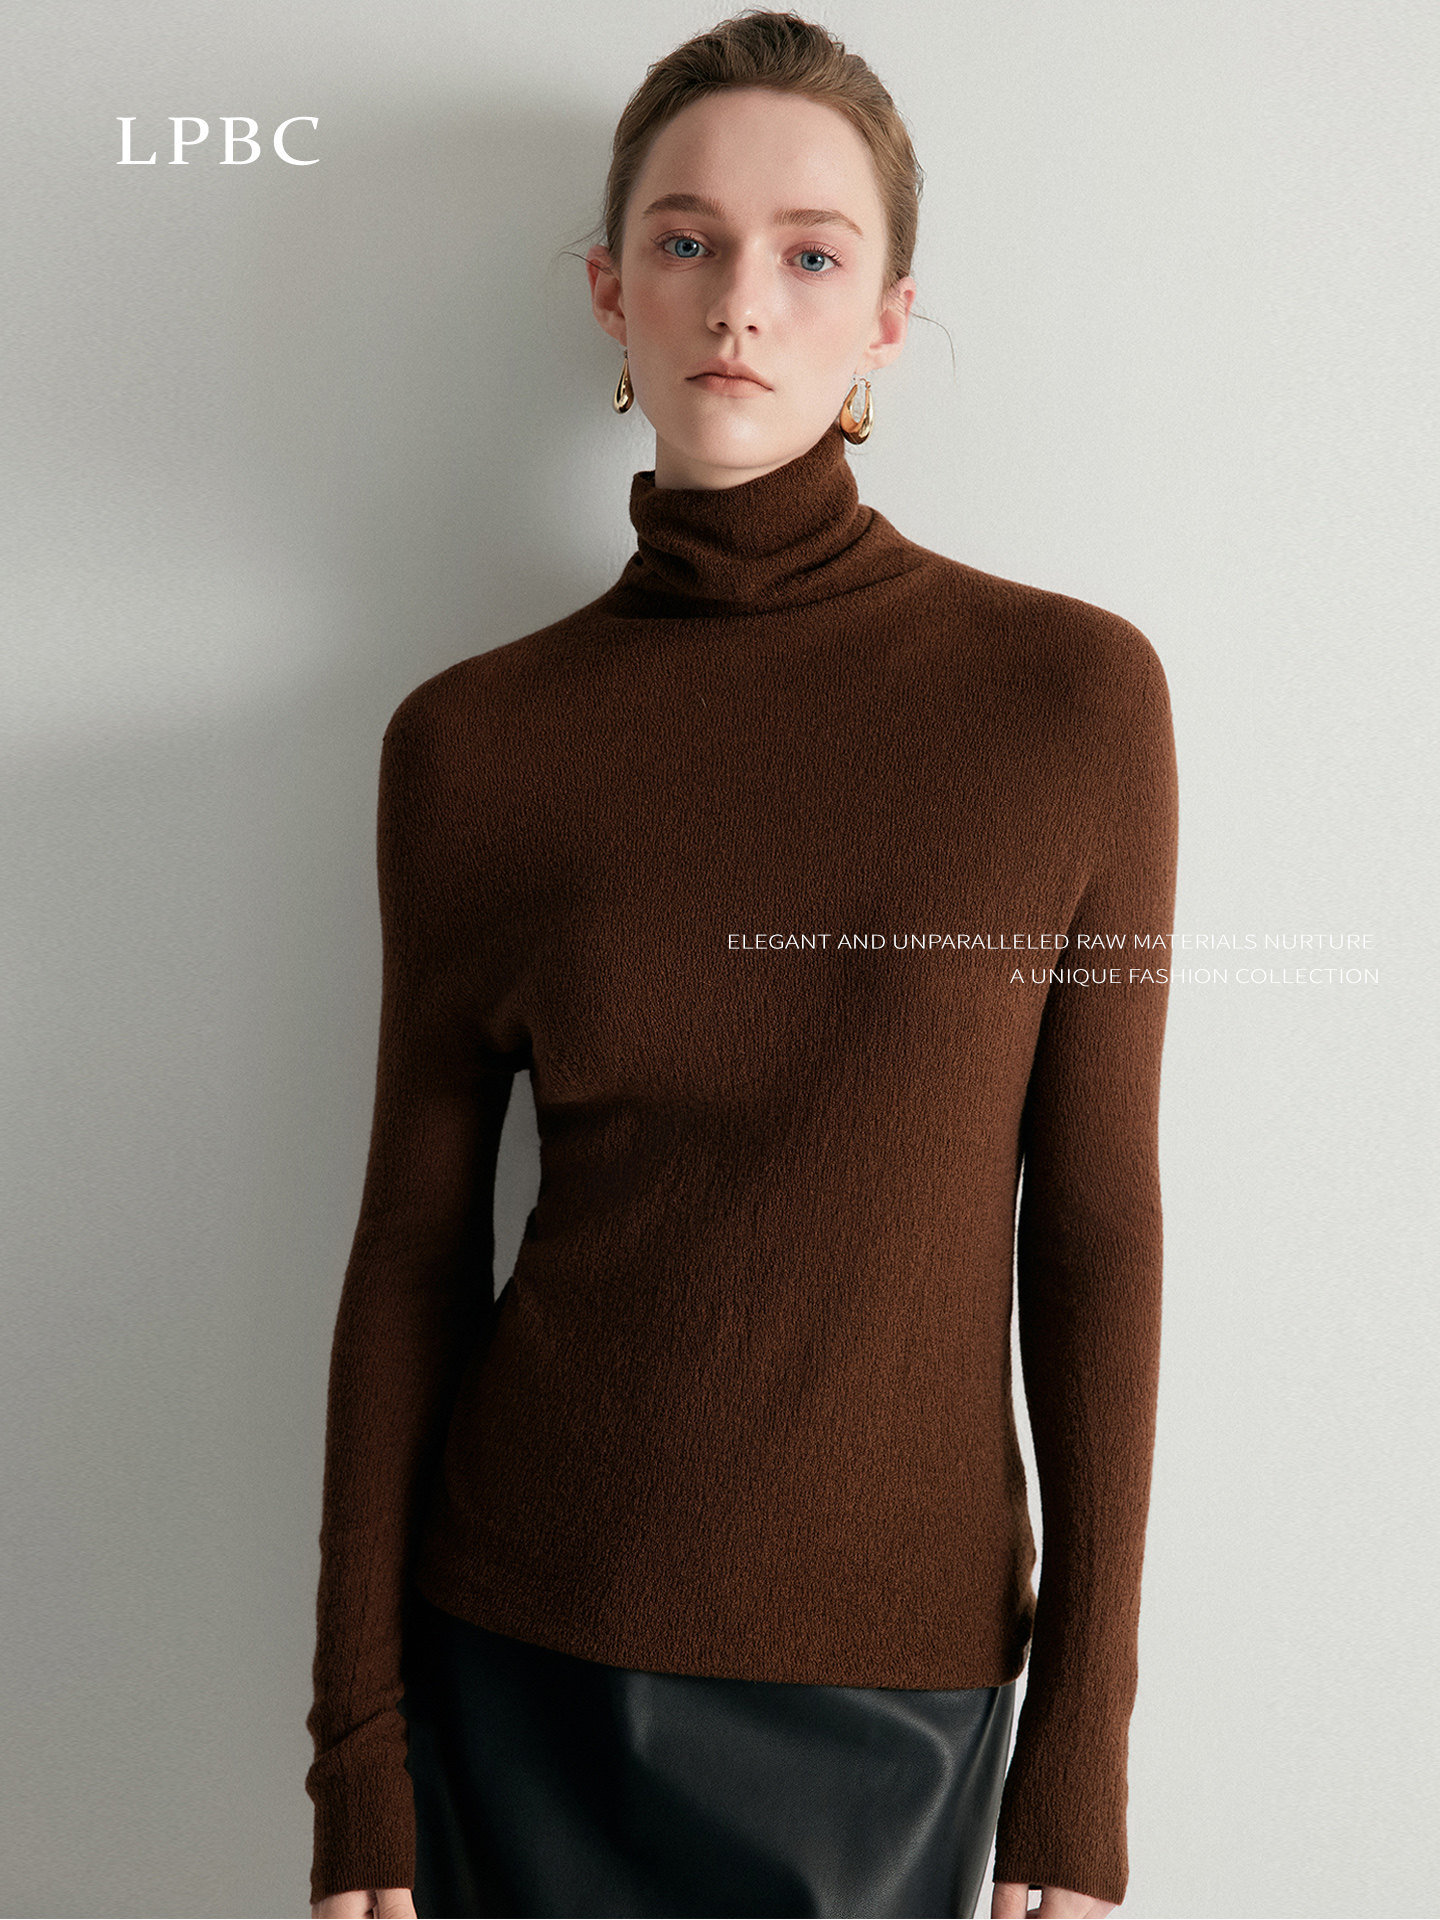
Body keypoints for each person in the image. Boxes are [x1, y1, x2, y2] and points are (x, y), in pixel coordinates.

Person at [303, 11, 1179, 1919]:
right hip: (514, 1650)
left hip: (893, 1687)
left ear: (888, 321)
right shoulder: (472, 743)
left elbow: (1097, 1229)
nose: (741, 301)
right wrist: (355, 1751)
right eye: (686, 241)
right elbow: (411, 1252)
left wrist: (1082, 1757)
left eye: (812, 253)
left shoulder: (1067, 701)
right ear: (610, 291)